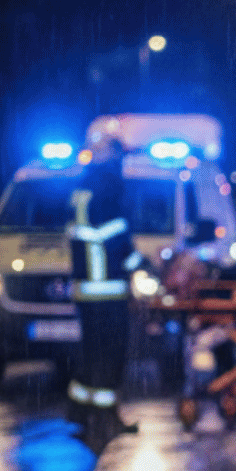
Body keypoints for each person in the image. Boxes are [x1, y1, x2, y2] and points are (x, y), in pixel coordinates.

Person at [66, 134, 143, 444]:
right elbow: (117, 236)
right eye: (119, 156)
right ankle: (105, 417)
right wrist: (141, 265)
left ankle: (80, 412)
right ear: (111, 157)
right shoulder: (109, 187)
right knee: (111, 354)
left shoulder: (83, 188)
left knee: (92, 352)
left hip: (86, 289)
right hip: (107, 288)